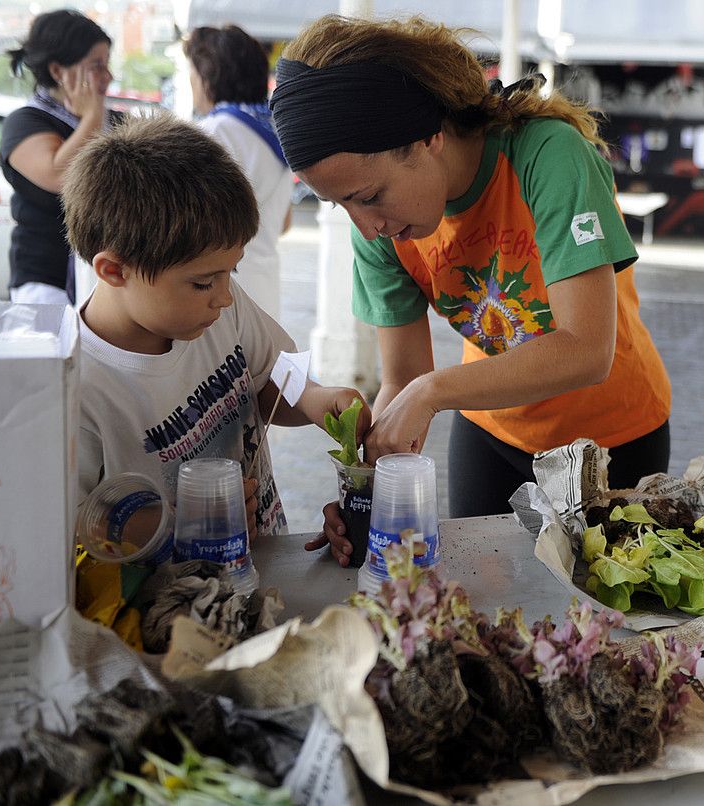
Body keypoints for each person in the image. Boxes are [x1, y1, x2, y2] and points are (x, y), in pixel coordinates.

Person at [270, 15, 673, 562]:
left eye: (368, 196)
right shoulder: (382, 230)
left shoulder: (548, 157)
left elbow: (586, 349)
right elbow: (404, 383)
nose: (366, 227)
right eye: (341, 205)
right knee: (489, 604)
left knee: (602, 607)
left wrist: (432, 392)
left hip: (612, 437)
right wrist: (364, 493)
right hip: (491, 435)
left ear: (429, 139)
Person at [61, 115, 368, 538]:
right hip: (166, 596)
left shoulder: (221, 309)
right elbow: (74, 525)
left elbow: (272, 379)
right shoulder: (75, 389)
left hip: (260, 559)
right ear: (115, 270)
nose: (224, 296)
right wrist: (181, 519)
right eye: (203, 282)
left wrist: (317, 398)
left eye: (231, 273)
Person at [0, 9, 120, 306]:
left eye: (107, 64)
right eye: (97, 66)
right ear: (58, 72)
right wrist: (92, 116)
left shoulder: (116, 121)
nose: (108, 76)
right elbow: (60, 176)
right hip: (47, 281)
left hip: (107, 277)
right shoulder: (26, 121)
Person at [185, 25, 293, 319]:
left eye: (192, 75)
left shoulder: (212, 133)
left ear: (207, 78)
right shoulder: (277, 130)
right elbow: (284, 222)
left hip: (220, 292)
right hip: (265, 288)